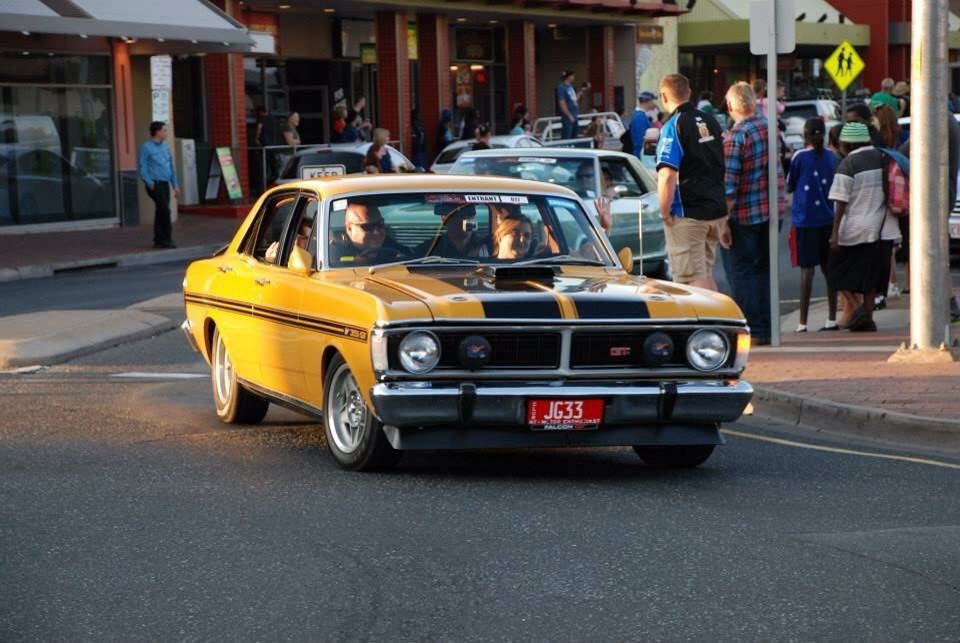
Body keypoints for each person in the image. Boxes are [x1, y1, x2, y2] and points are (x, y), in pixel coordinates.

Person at [723, 81, 785, 346]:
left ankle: (754, 328)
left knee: (742, 271)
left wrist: (722, 222)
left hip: (745, 214)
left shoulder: (737, 136)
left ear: (730, 106)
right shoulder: (770, 128)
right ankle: (768, 327)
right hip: (773, 210)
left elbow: (729, 184)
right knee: (763, 270)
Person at [655, 73, 729, 292]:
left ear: (664, 96)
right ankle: (718, 320)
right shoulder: (710, 120)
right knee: (704, 273)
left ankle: (711, 323)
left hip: (689, 211)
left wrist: (664, 211)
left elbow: (667, 174)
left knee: (691, 280)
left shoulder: (672, 126)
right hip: (715, 206)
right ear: (688, 93)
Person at [827, 122, 893, 332]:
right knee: (871, 278)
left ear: (846, 144)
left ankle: (858, 310)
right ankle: (868, 318)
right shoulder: (882, 157)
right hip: (882, 228)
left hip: (855, 228)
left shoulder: (848, 164)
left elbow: (840, 202)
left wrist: (835, 234)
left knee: (835, 271)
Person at [787, 118, 839, 332]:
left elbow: (791, 184)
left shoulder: (800, 157)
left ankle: (803, 322)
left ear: (805, 136)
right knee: (829, 270)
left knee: (807, 272)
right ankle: (832, 318)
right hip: (827, 218)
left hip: (805, 220)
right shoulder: (831, 157)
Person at [137, 121, 180, 249]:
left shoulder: (165, 147)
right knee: (165, 211)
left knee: (161, 210)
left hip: (165, 183)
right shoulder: (146, 147)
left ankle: (158, 239)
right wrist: (150, 183)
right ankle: (166, 239)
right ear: (157, 132)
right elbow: (142, 167)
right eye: (164, 130)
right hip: (155, 184)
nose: (166, 133)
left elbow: (170, 166)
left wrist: (175, 185)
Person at [331, 202, 410, 266]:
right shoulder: (333, 256)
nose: (377, 232)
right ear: (349, 229)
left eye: (380, 224)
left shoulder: (394, 248)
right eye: (368, 227)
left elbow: (412, 257)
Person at [419, 205, 490, 258]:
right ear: (444, 220)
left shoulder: (489, 246)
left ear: (473, 217)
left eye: (467, 215)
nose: (462, 221)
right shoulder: (431, 248)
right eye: (456, 217)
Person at [556, 70, 589, 140]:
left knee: (575, 137)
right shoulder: (561, 88)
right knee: (567, 137)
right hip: (568, 117)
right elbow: (562, 103)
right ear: (569, 77)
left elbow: (574, 100)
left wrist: (581, 91)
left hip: (574, 115)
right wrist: (569, 115)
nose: (574, 77)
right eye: (572, 76)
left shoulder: (570, 87)